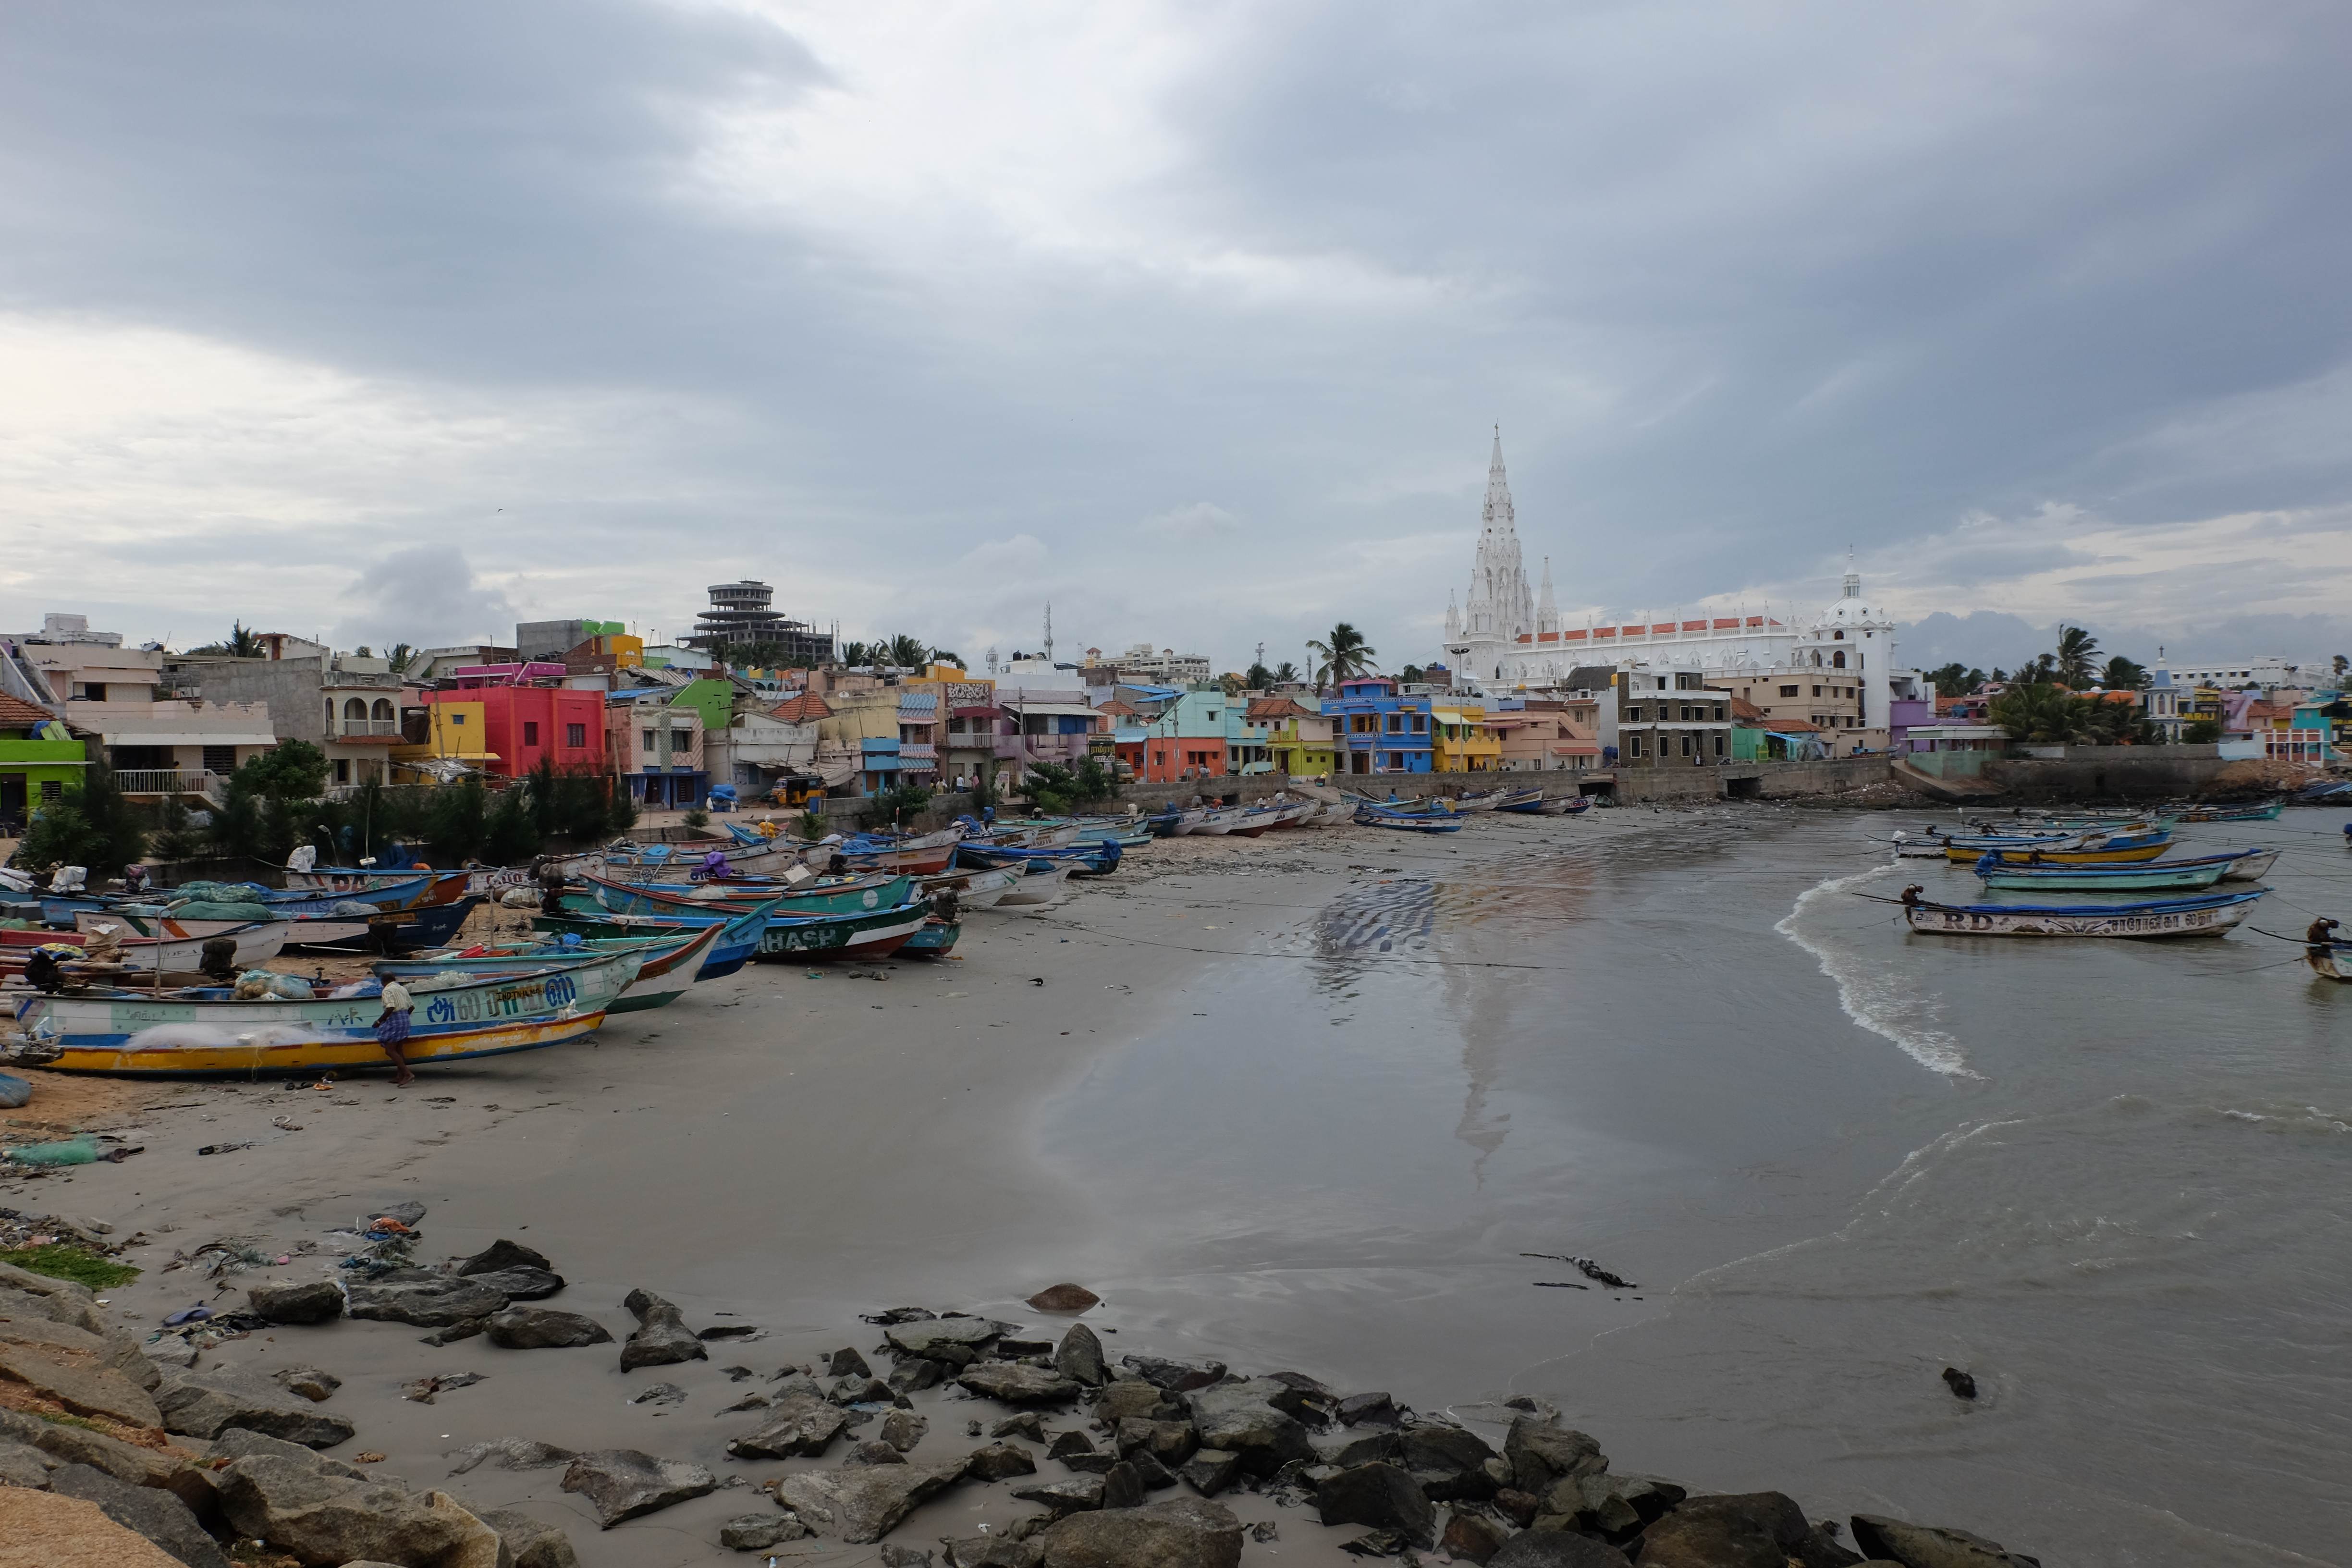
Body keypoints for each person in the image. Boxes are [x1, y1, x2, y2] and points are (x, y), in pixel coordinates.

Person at [374, 978, 416, 1086]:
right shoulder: (402, 988)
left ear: (383, 982)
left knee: (390, 1050)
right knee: (399, 1049)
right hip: (405, 1019)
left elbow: (390, 1007)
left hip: (395, 1020)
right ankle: (400, 1076)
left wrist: (379, 1021)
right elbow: (412, 1007)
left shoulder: (387, 990)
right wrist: (405, 1017)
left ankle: (408, 1074)